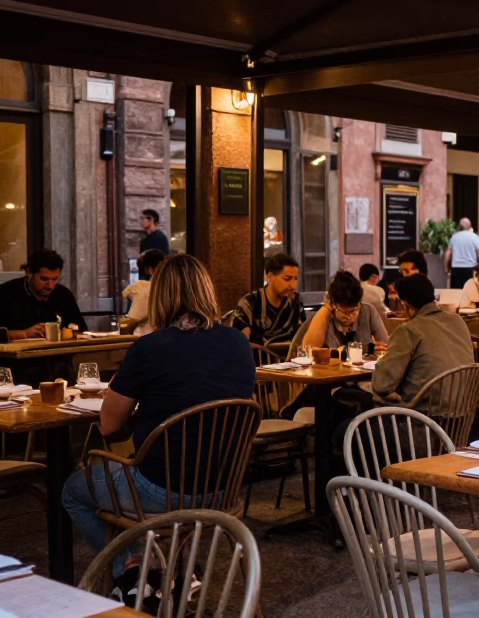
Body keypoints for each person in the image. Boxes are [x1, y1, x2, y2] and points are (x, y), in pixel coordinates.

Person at [61, 254, 255, 592]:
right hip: (224, 488)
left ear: (161, 295)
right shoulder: (238, 342)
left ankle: (134, 570)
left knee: (73, 489)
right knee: (131, 470)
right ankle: (175, 570)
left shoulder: (149, 347)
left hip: (161, 491)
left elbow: (108, 426)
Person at [371, 275, 473, 404]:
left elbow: (382, 384)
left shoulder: (408, 330)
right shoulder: (458, 321)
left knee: (351, 420)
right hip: (464, 413)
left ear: (405, 304)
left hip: (422, 417)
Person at [0, 248, 88, 341]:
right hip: (16, 363)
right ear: (29, 273)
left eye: (55, 279)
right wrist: (24, 334)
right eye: (44, 279)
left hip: (58, 361)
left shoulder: (63, 295)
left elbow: (82, 331)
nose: (50, 286)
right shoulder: (4, 294)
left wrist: (71, 333)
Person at [298, 270, 388, 353]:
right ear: (332, 304)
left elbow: (386, 345)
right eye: (344, 313)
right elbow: (308, 350)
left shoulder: (368, 311)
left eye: (354, 311)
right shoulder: (323, 316)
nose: (349, 317)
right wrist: (326, 309)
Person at [231, 253, 305, 345]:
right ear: (270, 277)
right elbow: (238, 341)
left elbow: (303, 332)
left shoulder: (295, 300)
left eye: (295, 279)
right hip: (258, 357)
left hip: (290, 357)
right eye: (287, 279)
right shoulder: (250, 302)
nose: (293, 285)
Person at [121, 249, 166, 337]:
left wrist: (120, 326)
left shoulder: (146, 289)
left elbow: (132, 321)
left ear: (148, 269)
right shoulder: (172, 288)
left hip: (146, 340)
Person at [444, 218, 479, 289]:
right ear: (470, 226)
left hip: (456, 268)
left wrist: (446, 268)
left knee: (456, 292)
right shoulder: (475, 237)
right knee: (470, 291)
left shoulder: (454, 237)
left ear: (459, 226)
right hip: (470, 269)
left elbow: (448, 253)